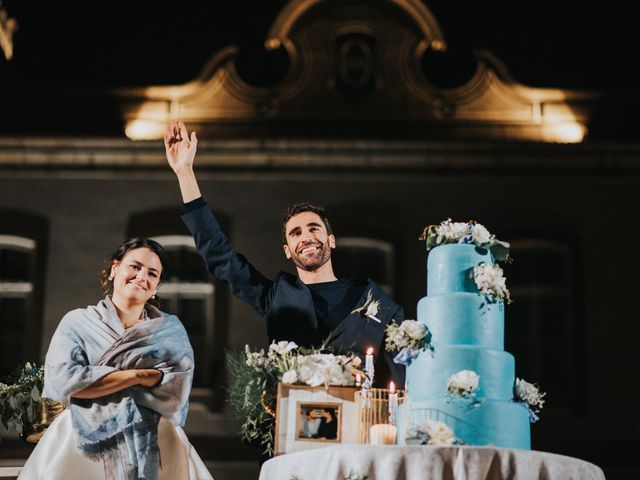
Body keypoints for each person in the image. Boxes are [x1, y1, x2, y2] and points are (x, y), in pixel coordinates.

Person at [164, 121, 405, 387]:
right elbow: (220, 256)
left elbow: (397, 375)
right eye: (296, 233)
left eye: (314, 228)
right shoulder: (276, 296)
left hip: (357, 420)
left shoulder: (375, 301)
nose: (306, 237)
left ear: (331, 240)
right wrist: (185, 172)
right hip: (291, 419)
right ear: (287, 251)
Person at [18, 238, 213, 480]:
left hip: (156, 433)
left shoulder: (171, 330)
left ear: (155, 288)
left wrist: (98, 378)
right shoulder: (77, 322)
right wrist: (140, 375)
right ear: (114, 269)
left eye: (152, 273)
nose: (142, 276)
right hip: (82, 431)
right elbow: (63, 381)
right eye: (135, 266)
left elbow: (175, 391)